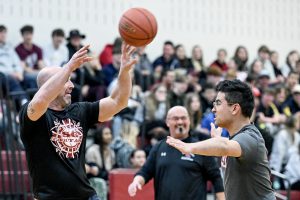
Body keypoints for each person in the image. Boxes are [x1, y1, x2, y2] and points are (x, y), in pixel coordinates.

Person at [19, 43, 137, 200]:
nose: (72, 85)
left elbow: (118, 101)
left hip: (86, 196)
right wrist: (68, 67)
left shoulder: (80, 111)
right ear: (50, 84)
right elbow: (41, 99)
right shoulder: (32, 113)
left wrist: (124, 71)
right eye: (66, 81)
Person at [166, 79, 276, 200]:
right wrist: (218, 139)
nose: (213, 109)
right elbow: (226, 145)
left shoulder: (250, 137)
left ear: (234, 109)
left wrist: (189, 147)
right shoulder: (235, 139)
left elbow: (224, 146)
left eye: (218, 103)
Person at [128, 106, 225, 200]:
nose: (180, 122)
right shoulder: (158, 148)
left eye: (183, 118)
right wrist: (136, 181)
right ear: (167, 122)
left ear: (189, 120)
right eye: (175, 118)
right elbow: (145, 172)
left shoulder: (200, 147)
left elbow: (216, 178)